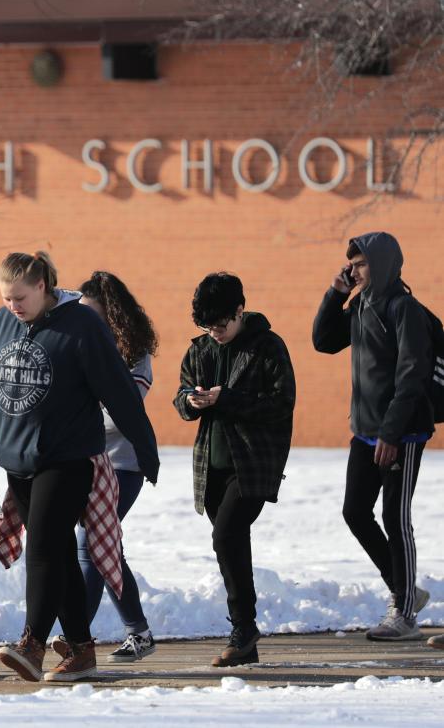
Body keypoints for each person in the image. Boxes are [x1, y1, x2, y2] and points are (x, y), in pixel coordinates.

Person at [0, 252, 159, 683]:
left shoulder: (81, 325)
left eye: (20, 297)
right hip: (18, 460)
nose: (13, 305)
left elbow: (119, 390)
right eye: (6, 297)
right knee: (62, 556)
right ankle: (83, 651)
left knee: (46, 545)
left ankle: (32, 643)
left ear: (43, 286)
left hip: (69, 458)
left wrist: (145, 446)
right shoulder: (1, 323)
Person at [312, 232, 433, 640]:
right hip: (365, 431)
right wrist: (335, 294)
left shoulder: (404, 310)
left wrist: (392, 432)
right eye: (351, 264)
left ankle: (404, 615)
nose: (354, 270)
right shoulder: (362, 305)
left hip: (402, 432)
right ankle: (406, 592)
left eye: (360, 264)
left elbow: (412, 375)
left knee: (395, 519)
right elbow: (323, 342)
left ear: (380, 264)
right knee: (354, 512)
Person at [174, 272, 295, 667]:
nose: (215, 333)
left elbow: (282, 403)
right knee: (231, 543)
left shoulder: (267, 346)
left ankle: (243, 628)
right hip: (211, 465)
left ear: (240, 311)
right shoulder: (200, 350)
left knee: (226, 535)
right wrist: (192, 403)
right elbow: (180, 397)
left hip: (254, 463)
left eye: (221, 325)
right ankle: (246, 637)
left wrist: (227, 399)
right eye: (207, 327)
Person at [75, 271, 159, 662]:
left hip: (124, 463)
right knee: (105, 546)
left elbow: (121, 411)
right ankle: (137, 631)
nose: (87, 322)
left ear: (113, 316)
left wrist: (76, 411)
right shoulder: (80, 347)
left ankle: (78, 637)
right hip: (84, 462)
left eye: (94, 315)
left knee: (93, 542)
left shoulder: (133, 354)